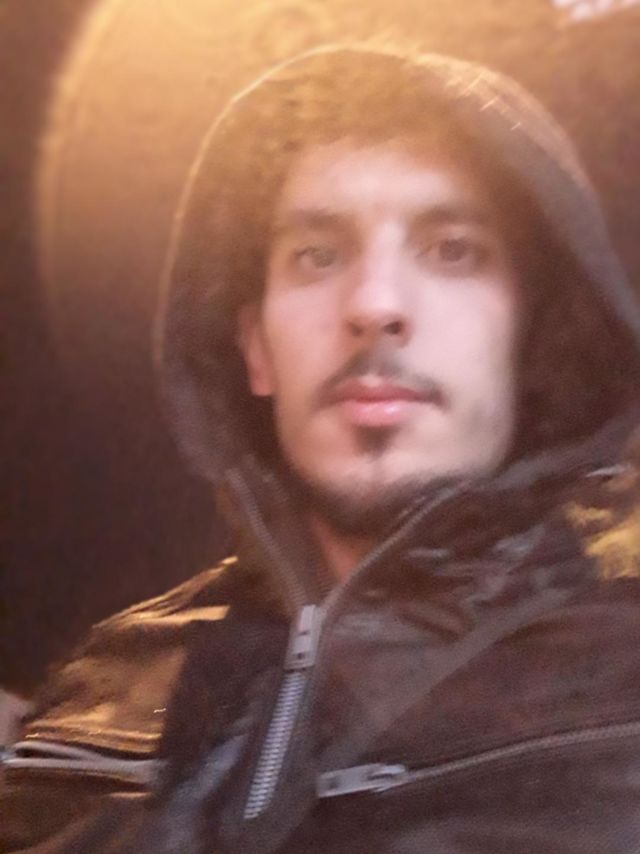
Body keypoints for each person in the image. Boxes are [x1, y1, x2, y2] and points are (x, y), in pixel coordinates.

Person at [3, 44, 640, 853]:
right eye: (318, 255)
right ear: (255, 348)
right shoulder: (107, 680)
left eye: (452, 249)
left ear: (532, 340)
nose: (373, 303)